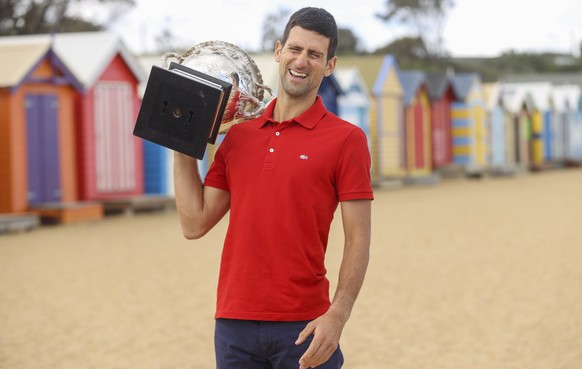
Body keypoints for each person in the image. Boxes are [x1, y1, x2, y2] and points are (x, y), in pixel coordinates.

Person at [173, 7, 373, 369]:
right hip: (234, 324)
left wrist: (338, 316)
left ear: (329, 65)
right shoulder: (238, 135)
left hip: (306, 325)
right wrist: (182, 139)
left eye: (315, 54)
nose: (302, 61)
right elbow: (194, 223)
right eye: (295, 49)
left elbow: (358, 239)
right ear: (279, 51)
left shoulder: (347, 140)